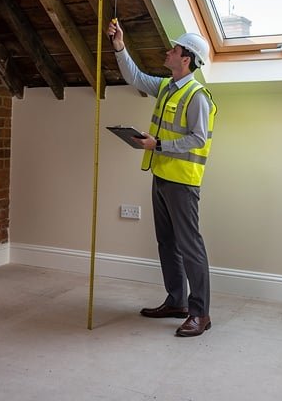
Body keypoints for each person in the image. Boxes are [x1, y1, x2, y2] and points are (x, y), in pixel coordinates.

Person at [107, 20, 217, 337]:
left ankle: (201, 313)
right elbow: (136, 77)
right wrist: (119, 45)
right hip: (161, 175)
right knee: (167, 243)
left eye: (174, 49)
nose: (168, 51)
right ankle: (177, 302)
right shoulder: (168, 87)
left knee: (190, 246)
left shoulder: (197, 96)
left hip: (182, 181)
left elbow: (198, 138)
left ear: (186, 58)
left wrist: (160, 145)